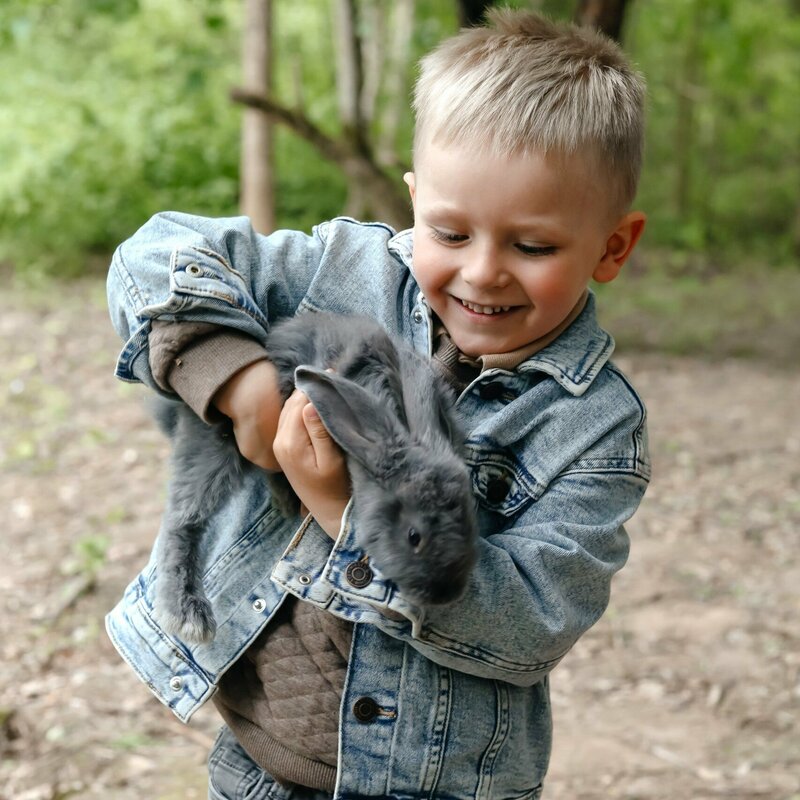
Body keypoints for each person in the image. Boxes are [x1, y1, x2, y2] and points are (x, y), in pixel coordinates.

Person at [105, 9, 650, 799]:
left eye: (532, 246)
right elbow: (156, 256)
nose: (483, 272)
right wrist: (232, 378)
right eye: (450, 232)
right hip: (261, 757)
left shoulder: (594, 430)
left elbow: (534, 619)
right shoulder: (345, 271)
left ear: (612, 247)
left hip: (436, 782)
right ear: (414, 199)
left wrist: (343, 511)